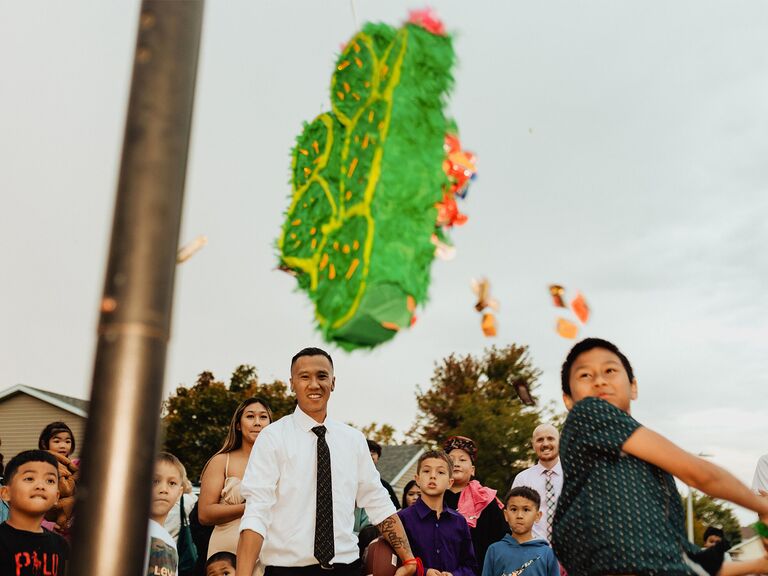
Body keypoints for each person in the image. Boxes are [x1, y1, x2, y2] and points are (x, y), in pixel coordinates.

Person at [553, 337, 768, 576]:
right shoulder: (588, 412)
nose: (600, 380)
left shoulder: (655, 480)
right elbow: (700, 474)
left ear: (633, 387)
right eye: (585, 375)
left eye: (610, 370)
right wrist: (762, 505)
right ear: (568, 400)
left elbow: (690, 563)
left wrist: (759, 565)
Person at [236, 347, 418, 576]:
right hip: (288, 570)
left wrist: (409, 559)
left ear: (333, 382)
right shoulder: (272, 437)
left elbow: (377, 501)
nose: (314, 384)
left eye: (322, 376)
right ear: (292, 383)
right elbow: (256, 512)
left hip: (346, 568)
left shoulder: (353, 440)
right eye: (305, 377)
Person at [200, 397, 273, 559]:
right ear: (238, 425)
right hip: (225, 553)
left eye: (263, 417)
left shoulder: (279, 463)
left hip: (267, 553)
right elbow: (204, 514)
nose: (257, 422)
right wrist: (252, 507)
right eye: (250, 416)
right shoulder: (221, 461)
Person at [398, 450, 476, 576]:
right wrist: (424, 572)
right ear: (417, 479)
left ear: (450, 483)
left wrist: (454, 575)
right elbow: (394, 562)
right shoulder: (402, 519)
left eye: (440, 472)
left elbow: (470, 566)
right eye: (426, 471)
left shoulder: (459, 521)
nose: (433, 476)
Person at [443, 435, 507, 572]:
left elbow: (501, 538)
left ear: (472, 470)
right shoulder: (435, 497)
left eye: (462, 459)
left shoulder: (485, 500)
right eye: (451, 459)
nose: (456, 463)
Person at [0, 450, 69, 575]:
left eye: (50, 481)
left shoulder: (61, 545)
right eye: (30, 478)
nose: (40, 486)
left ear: (56, 497)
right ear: (6, 493)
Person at [482, 486, 559, 576]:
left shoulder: (547, 554)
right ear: (506, 515)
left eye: (526, 510)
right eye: (514, 509)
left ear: (537, 516)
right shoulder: (494, 550)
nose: (519, 515)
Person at [511, 424, 562, 542]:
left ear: (560, 442)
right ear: (533, 445)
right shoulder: (522, 479)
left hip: (570, 550)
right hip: (533, 549)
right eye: (540, 440)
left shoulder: (573, 474)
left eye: (550, 438)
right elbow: (513, 517)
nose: (545, 444)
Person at [147, 452, 186, 576]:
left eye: (172, 483)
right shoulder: (132, 532)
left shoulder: (170, 542)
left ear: (180, 493)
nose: (163, 489)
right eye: (155, 481)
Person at [38, 421, 79, 537]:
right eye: (57, 441)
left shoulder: (77, 466)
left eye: (67, 441)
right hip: (48, 532)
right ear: (44, 444)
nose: (63, 445)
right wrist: (46, 524)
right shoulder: (39, 466)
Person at [368, 439, 402, 510]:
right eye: (367, 451)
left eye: (373, 452)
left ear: (378, 457)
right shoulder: (352, 481)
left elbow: (397, 510)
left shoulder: (385, 486)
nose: (370, 454)